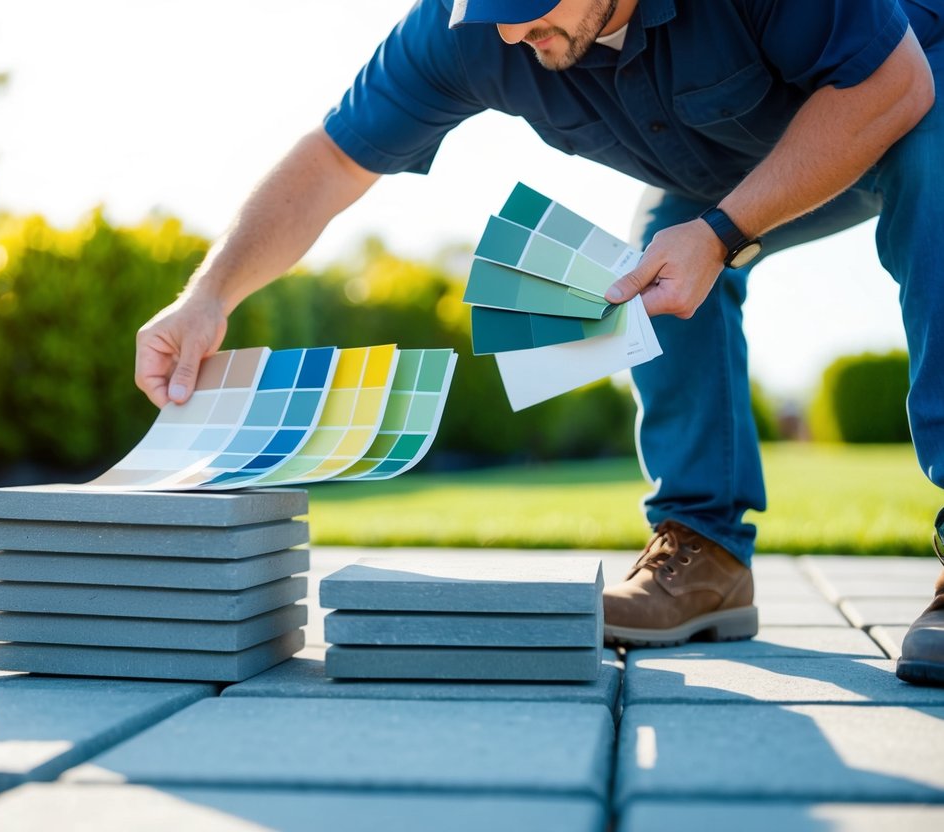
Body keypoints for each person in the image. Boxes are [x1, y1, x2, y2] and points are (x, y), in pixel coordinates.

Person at [134, 0, 944, 686]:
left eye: (527, 8)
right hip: (724, 169)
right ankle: (704, 554)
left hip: (905, 89)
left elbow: (892, 83)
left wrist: (724, 231)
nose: (510, 33)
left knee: (933, 174)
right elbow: (330, 163)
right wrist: (208, 296)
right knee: (659, 247)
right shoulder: (466, 26)